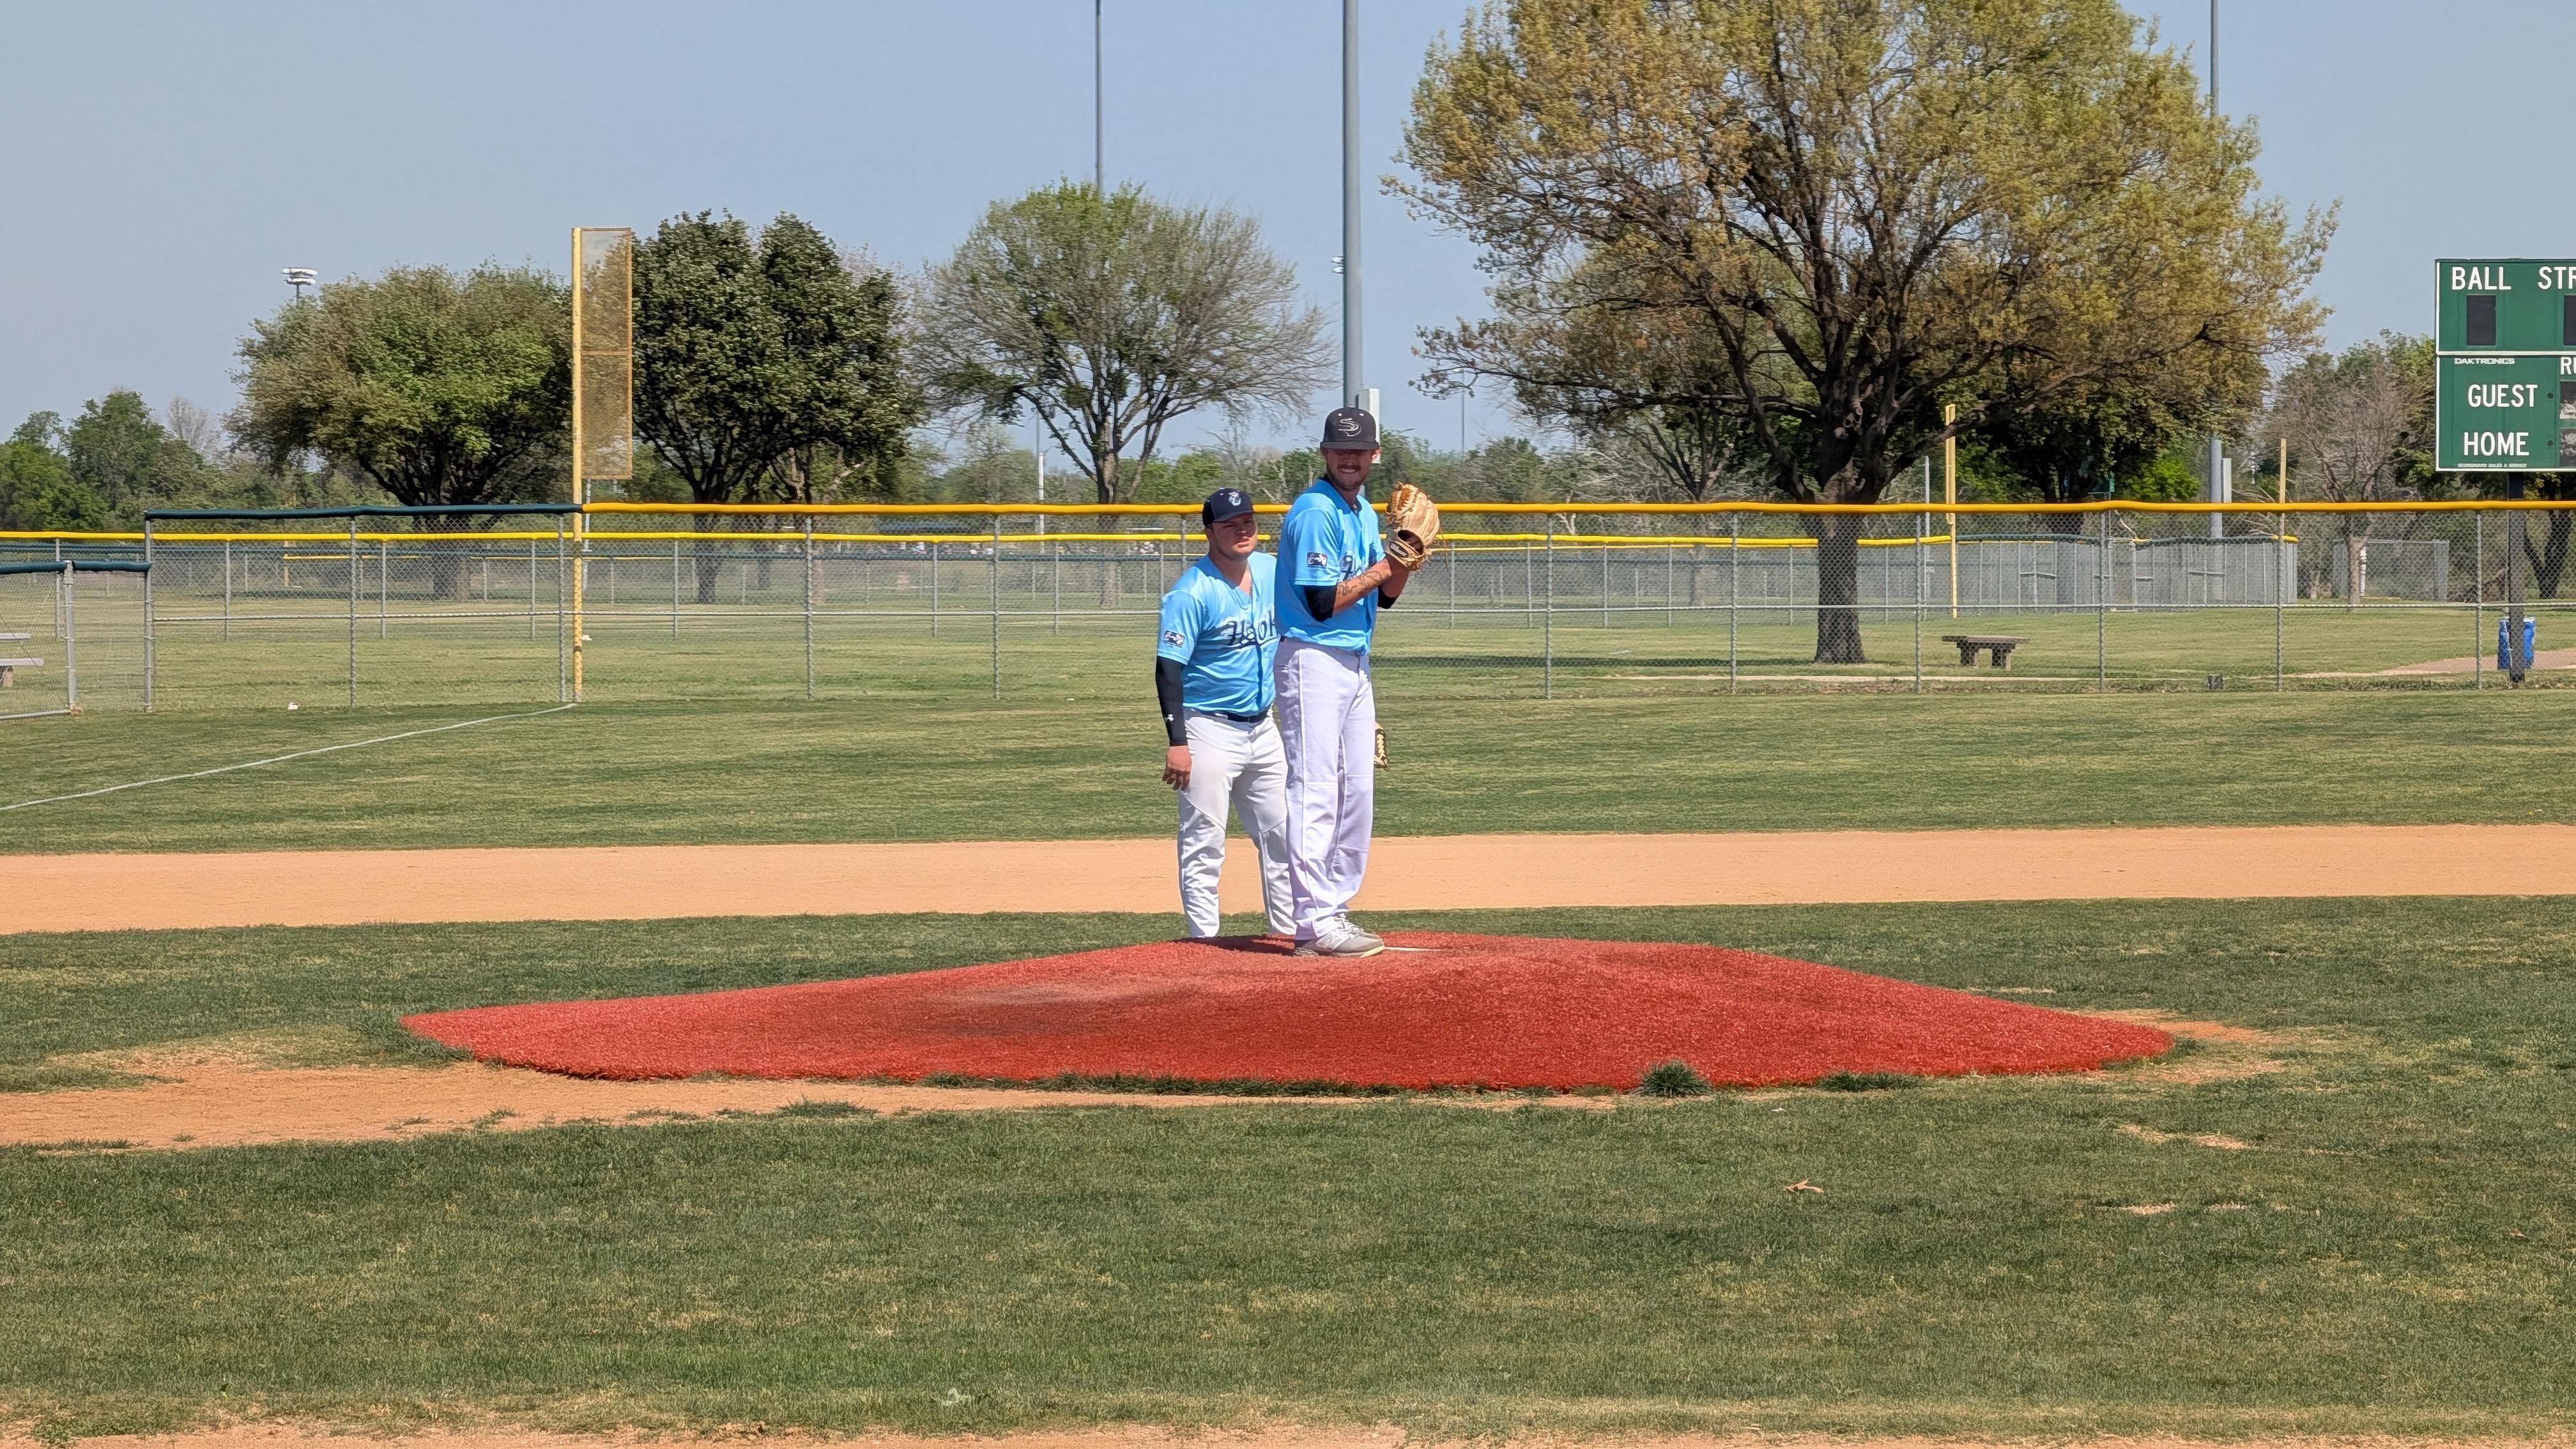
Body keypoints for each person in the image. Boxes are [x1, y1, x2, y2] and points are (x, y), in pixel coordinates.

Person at [1273, 406, 1412, 957]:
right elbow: (1322, 602)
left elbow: (1387, 598)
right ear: (1325, 454)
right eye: (1339, 449)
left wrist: (1405, 556)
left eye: (1358, 450)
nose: (1349, 457)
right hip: (1312, 656)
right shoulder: (1315, 511)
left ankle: (1335, 908)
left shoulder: (1359, 513)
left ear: (1374, 455)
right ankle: (1313, 919)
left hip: (1354, 662)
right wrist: (1388, 563)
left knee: (1358, 789)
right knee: (1315, 788)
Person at [1156, 486, 1295, 940]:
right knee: (1204, 844)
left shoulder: (1273, 571)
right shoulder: (1191, 593)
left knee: (1284, 837)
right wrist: (1178, 742)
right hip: (1207, 729)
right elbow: (1167, 670)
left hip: (1263, 726)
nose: (1242, 530)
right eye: (1230, 524)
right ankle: (1203, 944)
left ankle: (1290, 933)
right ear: (1209, 532)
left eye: (1248, 521)